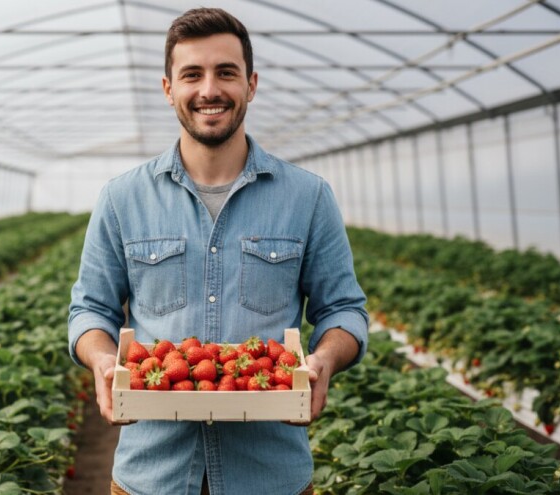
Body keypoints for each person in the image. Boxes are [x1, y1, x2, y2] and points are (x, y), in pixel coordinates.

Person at [68, 7, 368, 495]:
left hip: (271, 477)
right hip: (151, 476)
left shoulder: (308, 197)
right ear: (169, 89)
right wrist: (104, 360)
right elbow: (90, 310)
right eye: (192, 75)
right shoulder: (122, 198)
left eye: (226, 72)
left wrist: (324, 359)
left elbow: (344, 309)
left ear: (251, 84)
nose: (209, 90)